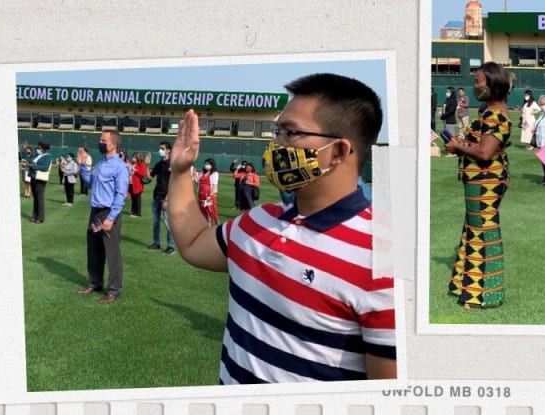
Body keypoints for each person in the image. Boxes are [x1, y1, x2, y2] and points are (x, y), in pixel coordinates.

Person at [167, 72, 397, 384]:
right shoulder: (256, 222)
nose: (277, 145)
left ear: (340, 151)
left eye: (291, 133)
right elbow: (193, 243)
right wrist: (180, 170)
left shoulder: (385, 261)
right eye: (278, 132)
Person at [446, 62, 513, 310]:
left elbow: (485, 153)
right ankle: (466, 287)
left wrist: (457, 147)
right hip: (478, 180)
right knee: (472, 230)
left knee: (483, 232)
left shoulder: (496, 115)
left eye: (479, 81)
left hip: (487, 181)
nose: (475, 86)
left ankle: (486, 294)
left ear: (493, 84)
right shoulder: (488, 112)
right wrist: (462, 143)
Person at [77, 130, 132, 304]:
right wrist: (83, 166)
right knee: (93, 250)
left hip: (108, 213)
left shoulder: (119, 166)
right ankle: (95, 282)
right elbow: (92, 183)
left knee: (112, 253)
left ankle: (114, 290)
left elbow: (120, 194)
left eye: (103, 140)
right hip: (95, 212)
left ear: (113, 144)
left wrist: (111, 218)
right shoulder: (101, 163)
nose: (100, 142)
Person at [146, 142, 174, 253]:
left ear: (168, 150)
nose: (160, 150)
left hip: (166, 198)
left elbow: (173, 183)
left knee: (168, 223)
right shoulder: (159, 164)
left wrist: (167, 199)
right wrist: (147, 165)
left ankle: (170, 246)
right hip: (156, 196)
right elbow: (149, 177)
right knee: (156, 222)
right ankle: (156, 242)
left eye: (162, 148)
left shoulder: (172, 164)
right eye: (159, 148)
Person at [27, 142, 53, 223]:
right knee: (35, 199)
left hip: (40, 179)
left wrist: (33, 166)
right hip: (33, 177)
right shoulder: (37, 155)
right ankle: (34, 216)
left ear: (42, 148)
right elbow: (30, 160)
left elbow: (45, 168)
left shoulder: (48, 156)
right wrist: (28, 164)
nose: (37, 149)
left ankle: (40, 217)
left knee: (39, 199)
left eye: (38, 148)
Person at [195, 159, 219, 224]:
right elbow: (197, 182)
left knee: (211, 210)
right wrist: (195, 174)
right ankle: (207, 225)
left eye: (208, 164)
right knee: (203, 210)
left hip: (208, 195)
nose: (206, 165)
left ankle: (217, 224)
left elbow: (214, 185)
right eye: (205, 164)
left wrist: (210, 195)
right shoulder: (202, 172)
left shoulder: (214, 173)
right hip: (201, 194)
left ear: (212, 165)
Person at [129, 152, 148, 218]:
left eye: (135, 157)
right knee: (133, 198)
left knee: (137, 199)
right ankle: (133, 212)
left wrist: (135, 170)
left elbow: (143, 174)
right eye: (133, 157)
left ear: (138, 157)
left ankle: (138, 213)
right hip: (131, 183)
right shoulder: (132, 164)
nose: (133, 158)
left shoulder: (141, 164)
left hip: (138, 184)